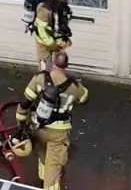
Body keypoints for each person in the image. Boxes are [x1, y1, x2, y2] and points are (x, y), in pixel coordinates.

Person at [19, 50, 87, 190]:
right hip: (59, 132)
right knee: (53, 165)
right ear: (66, 65)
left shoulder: (39, 78)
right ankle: (49, 185)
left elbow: (25, 102)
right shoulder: (73, 86)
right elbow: (85, 98)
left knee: (42, 153)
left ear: (53, 62)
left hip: (39, 127)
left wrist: (20, 122)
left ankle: (41, 178)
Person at [30, 0, 75, 69]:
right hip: (44, 44)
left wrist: (62, 40)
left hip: (54, 41)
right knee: (45, 73)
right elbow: (42, 33)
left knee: (58, 69)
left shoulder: (57, 3)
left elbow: (57, 25)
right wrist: (55, 45)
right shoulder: (44, 9)